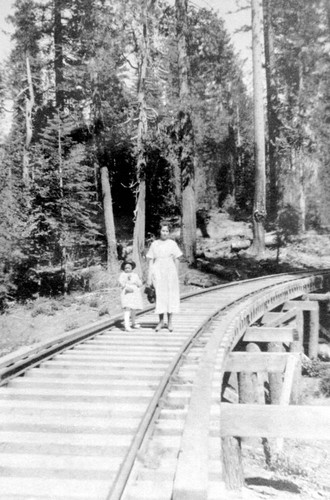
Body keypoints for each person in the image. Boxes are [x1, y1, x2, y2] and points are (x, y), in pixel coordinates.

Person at [146, 221, 183, 332]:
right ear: (160, 231)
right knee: (160, 296)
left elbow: (177, 258)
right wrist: (149, 276)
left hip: (170, 271)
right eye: (163, 230)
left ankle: (170, 322)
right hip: (158, 271)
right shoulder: (154, 244)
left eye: (167, 231)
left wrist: (175, 273)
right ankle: (161, 322)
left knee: (170, 296)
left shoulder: (172, 243)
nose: (165, 233)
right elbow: (151, 260)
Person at [118, 259, 143, 332]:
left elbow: (139, 284)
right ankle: (126, 325)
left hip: (134, 293)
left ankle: (133, 323)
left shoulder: (135, 275)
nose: (127, 269)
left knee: (133, 308)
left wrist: (137, 282)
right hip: (127, 292)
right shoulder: (122, 275)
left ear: (132, 268)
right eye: (126, 268)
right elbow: (121, 283)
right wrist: (126, 286)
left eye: (129, 267)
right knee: (127, 308)